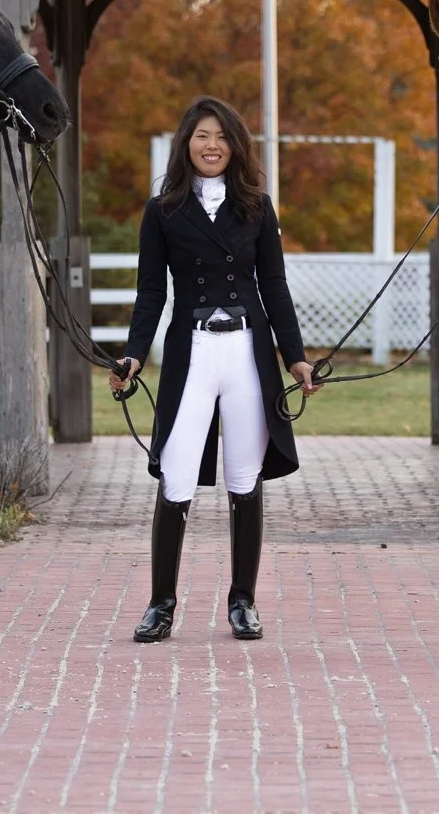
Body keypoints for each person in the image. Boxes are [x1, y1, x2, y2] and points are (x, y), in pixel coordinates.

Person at [114, 96, 318, 643]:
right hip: (193, 354)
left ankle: (243, 602)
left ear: (235, 145)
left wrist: (295, 357)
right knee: (176, 475)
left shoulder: (257, 206)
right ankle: (161, 604)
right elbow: (151, 292)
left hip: (247, 355)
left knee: (244, 479)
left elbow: (274, 288)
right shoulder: (163, 211)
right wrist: (132, 355)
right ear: (186, 143)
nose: (211, 145)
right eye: (202, 135)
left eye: (222, 136)